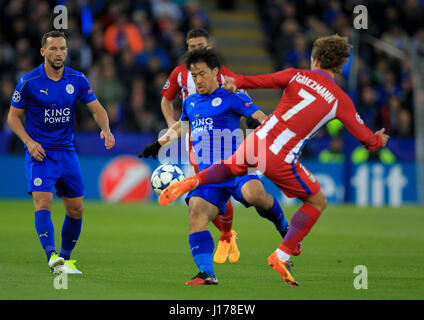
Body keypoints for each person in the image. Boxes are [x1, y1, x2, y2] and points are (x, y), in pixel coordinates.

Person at [158, 35, 390, 286]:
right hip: (280, 155)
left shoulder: (296, 75)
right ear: (340, 66)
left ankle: (194, 180)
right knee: (317, 201)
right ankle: (282, 252)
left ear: (314, 59)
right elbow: (366, 139)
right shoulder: (339, 99)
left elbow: (260, 81)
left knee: (232, 169)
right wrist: (377, 140)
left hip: (256, 141)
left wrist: (237, 82)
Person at [140, 49, 292, 285]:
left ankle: (284, 227)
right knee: (197, 211)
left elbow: (260, 116)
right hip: (209, 175)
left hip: (236, 167)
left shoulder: (233, 96)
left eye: (202, 74)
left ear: (215, 72)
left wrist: (255, 121)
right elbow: (182, 127)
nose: (198, 80)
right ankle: (206, 273)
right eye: (194, 75)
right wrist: (157, 143)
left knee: (255, 195)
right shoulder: (190, 102)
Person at [7, 31, 115, 274]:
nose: (59, 53)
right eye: (53, 49)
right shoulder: (29, 81)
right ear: (43, 51)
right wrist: (28, 142)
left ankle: (64, 259)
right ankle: (51, 255)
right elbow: (13, 117)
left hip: (66, 152)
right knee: (43, 201)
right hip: (40, 153)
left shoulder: (77, 79)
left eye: (63, 49)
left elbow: (97, 109)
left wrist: (106, 129)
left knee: (76, 208)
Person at [160, 28, 239, 264]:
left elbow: (238, 100)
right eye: (192, 47)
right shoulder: (179, 74)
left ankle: (226, 234)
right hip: (194, 137)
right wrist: (171, 124)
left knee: (217, 186)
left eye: (200, 46)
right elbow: (166, 99)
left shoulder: (223, 73)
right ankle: (227, 234)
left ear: (209, 46)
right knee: (209, 189)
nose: (196, 50)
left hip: (222, 139)